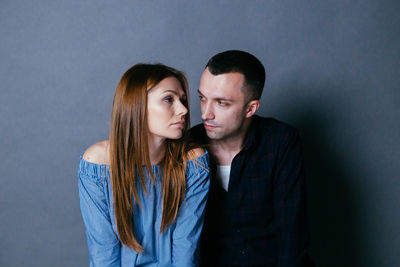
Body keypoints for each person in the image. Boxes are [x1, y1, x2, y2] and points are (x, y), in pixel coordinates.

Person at [78, 63, 210, 267]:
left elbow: (187, 248)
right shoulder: (98, 164)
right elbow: (103, 252)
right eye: (169, 99)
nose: (183, 110)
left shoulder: (192, 162)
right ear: (136, 105)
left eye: (182, 100)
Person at [191, 50, 313, 266]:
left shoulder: (280, 142)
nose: (205, 114)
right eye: (202, 98)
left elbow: (292, 236)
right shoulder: (188, 146)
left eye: (221, 103)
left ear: (251, 108)